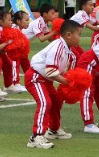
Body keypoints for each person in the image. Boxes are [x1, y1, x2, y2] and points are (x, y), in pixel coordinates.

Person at [26, 19, 81, 149]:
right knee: (45, 102)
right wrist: (69, 83)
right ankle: (36, 137)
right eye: (79, 34)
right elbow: (50, 71)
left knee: (57, 101)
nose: (80, 37)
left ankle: (53, 130)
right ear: (68, 35)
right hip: (35, 77)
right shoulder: (58, 47)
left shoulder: (67, 50)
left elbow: (59, 71)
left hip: (46, 80)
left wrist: (71, 80)